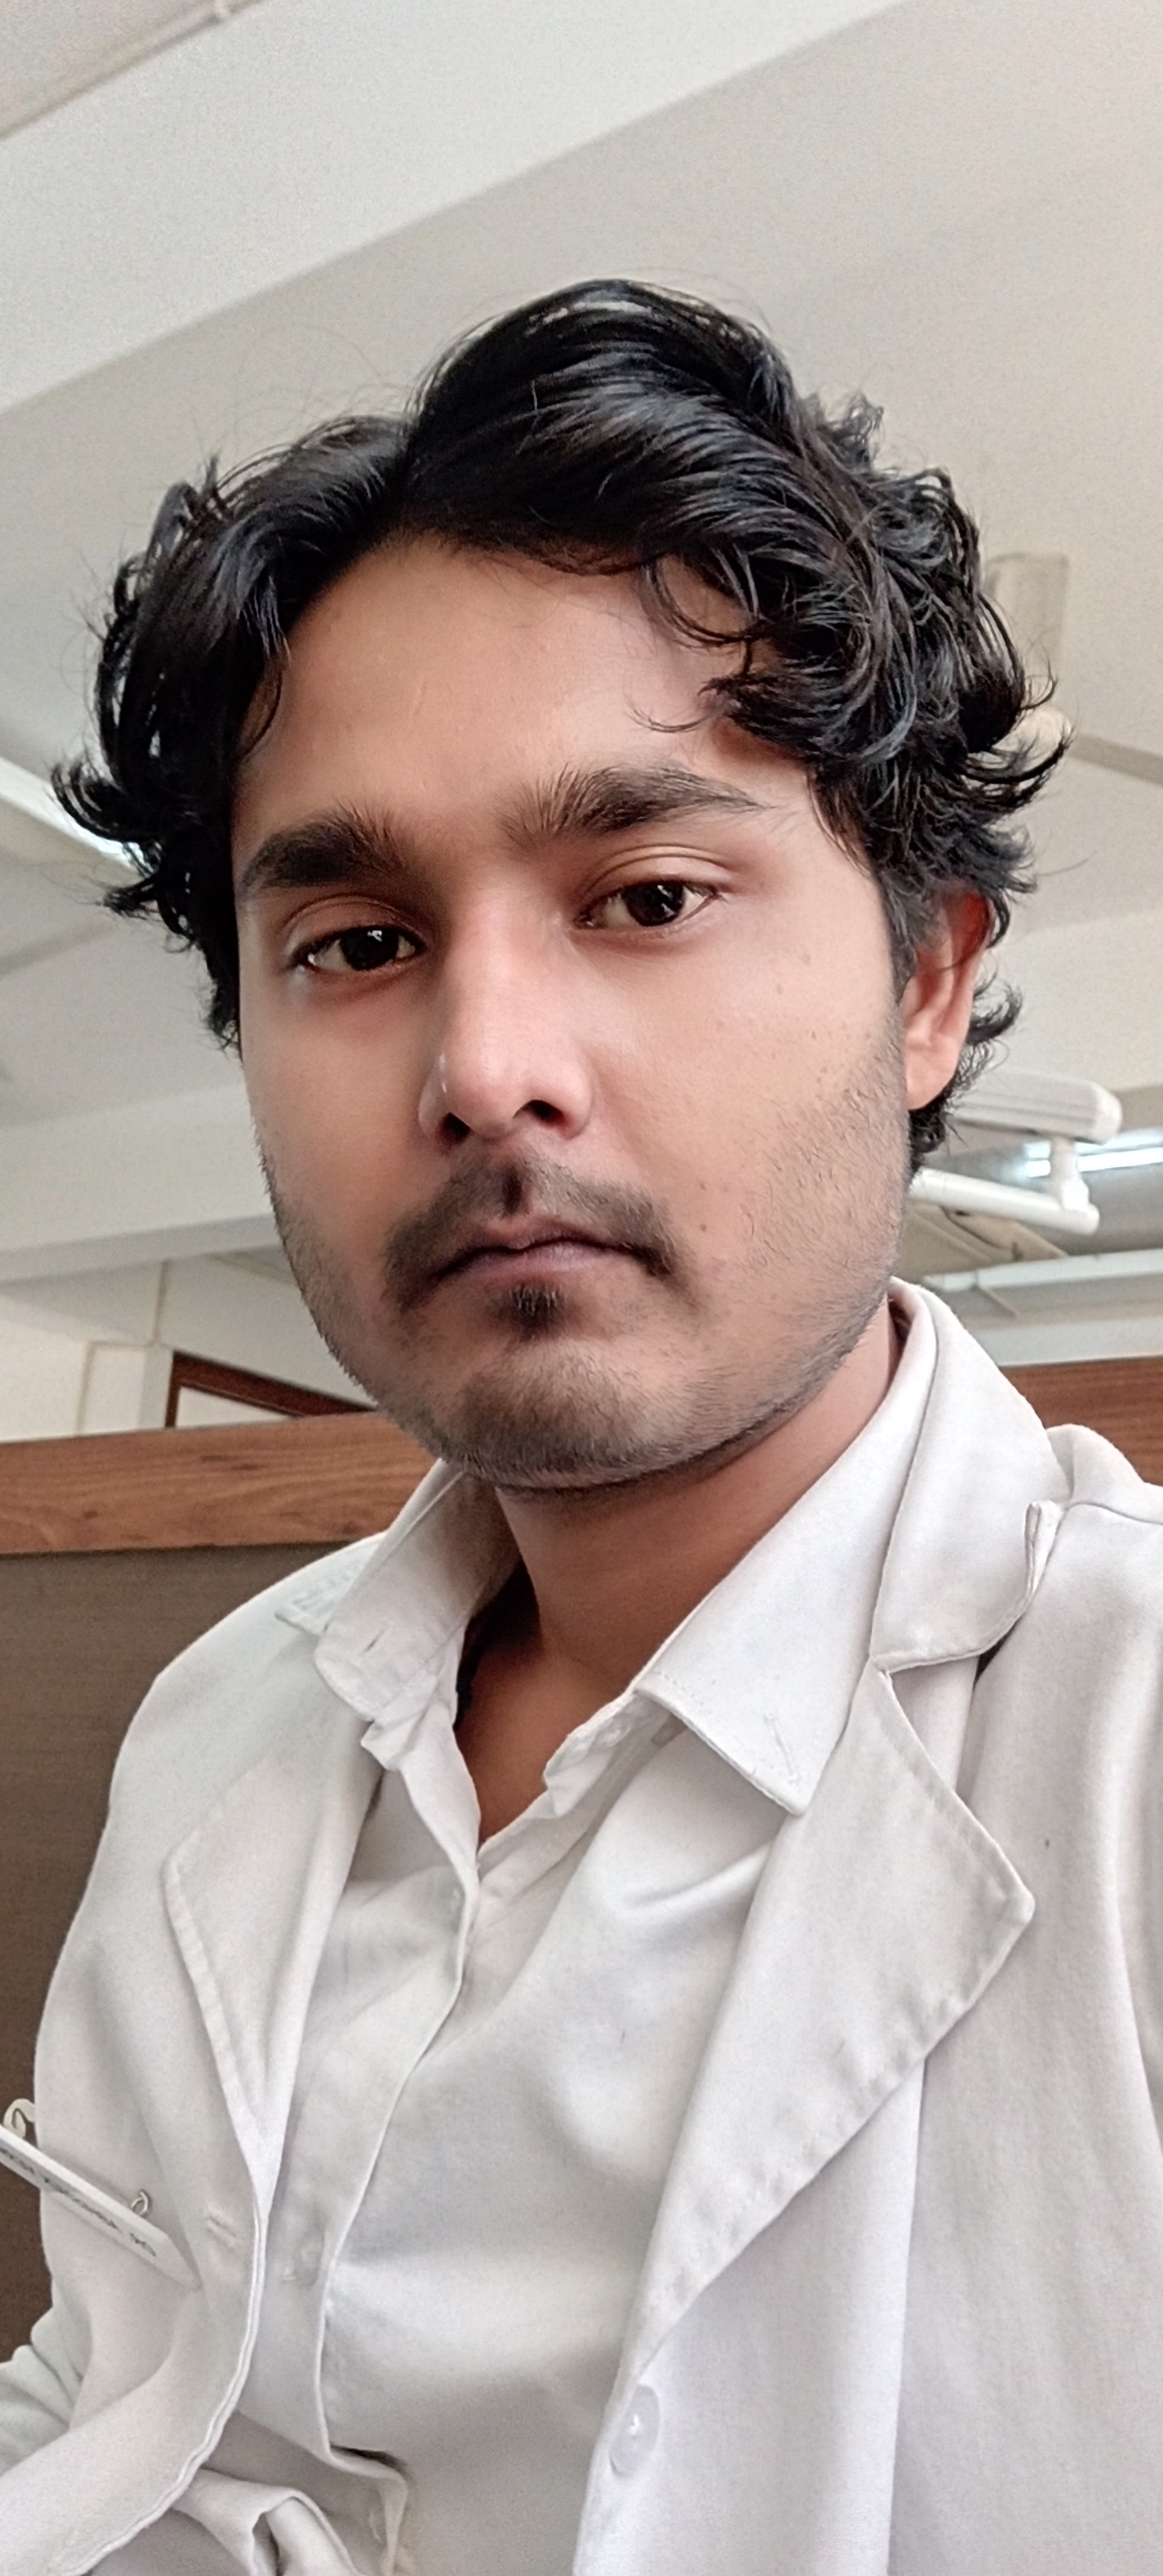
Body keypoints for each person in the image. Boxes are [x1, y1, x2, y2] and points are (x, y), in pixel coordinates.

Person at [1, 280, 1159, 2576]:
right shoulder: (226, 1723)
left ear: (930, 980)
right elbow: (115, 2394)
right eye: (354, 943)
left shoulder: (1125, 1757)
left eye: (646, 894)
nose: (485, 1069)